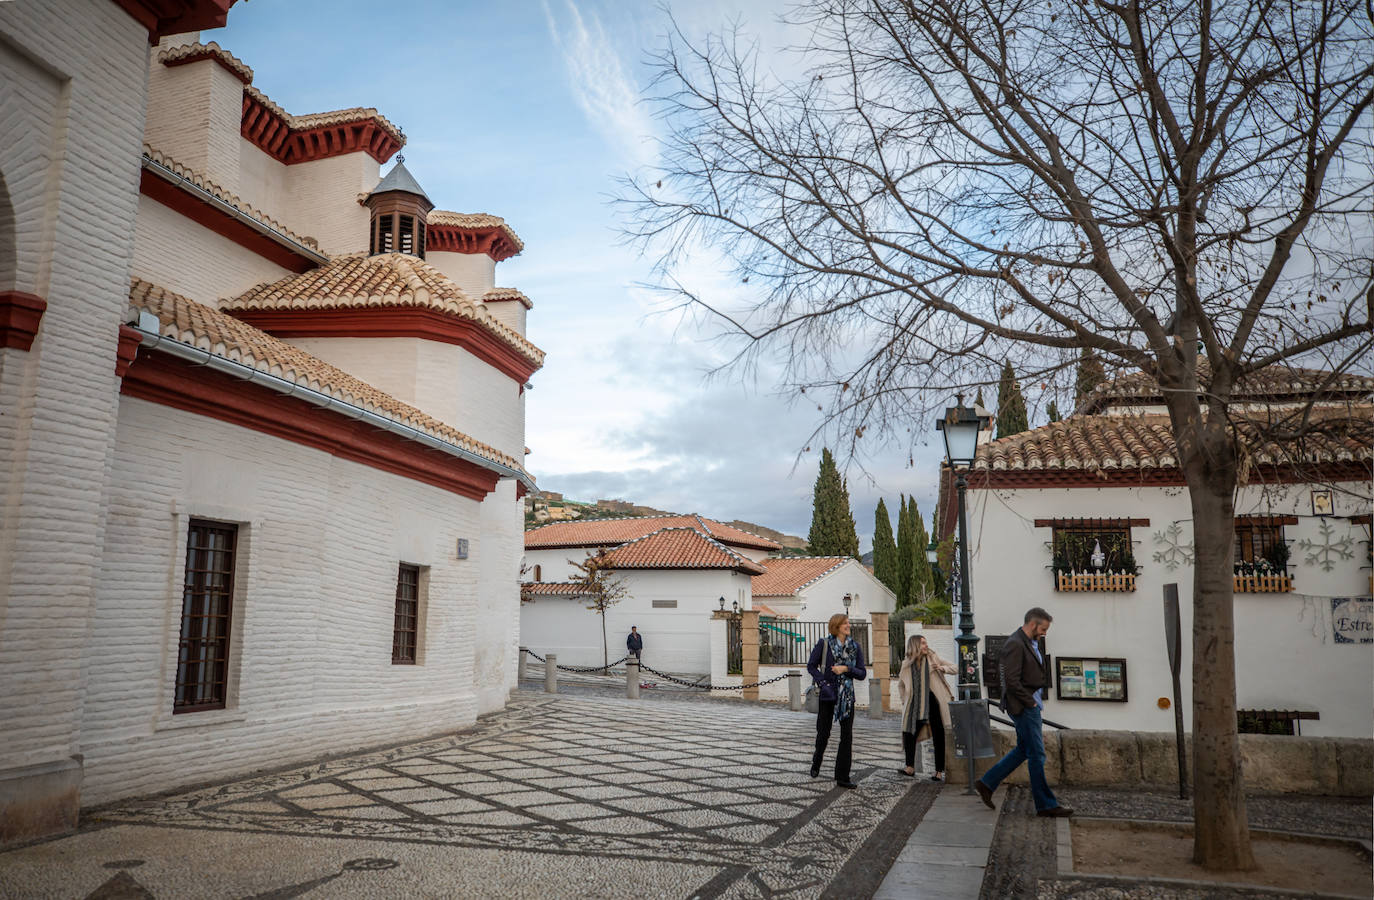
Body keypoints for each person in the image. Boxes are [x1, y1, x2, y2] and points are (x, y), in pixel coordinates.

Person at [975, 607, 1073, 818]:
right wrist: (1031, 704)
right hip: (1024, 707)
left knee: (1023, 750)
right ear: (1032, 624)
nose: (1045, 632)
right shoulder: (1015, 644)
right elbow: (1011, 681)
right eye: (1043, 628)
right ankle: (1046, 804)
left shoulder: (1028, 642)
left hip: (1029, 705)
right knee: (1037, 754)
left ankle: (986, 783)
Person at [806, 612, 867, 789]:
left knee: (846, 736)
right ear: (836, 626)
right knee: (823, 733)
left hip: (847, 697)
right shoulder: (824, 644)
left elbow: (862, 673)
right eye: (845, 623)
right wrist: (823, 683)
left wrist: (846, 668)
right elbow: (811, 666)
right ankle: (816, 762)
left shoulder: (855, 647)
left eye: (848, 623)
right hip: (828, 695)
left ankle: (842, 776)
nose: (849, 626)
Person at [897, 634, 956, 781]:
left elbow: (955, 668)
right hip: (915, 703)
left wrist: (942, 668)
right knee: (910, 733)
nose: (926, 645)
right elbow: (901, 685)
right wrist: (904, 700)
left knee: (938, 733)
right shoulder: (907, 664)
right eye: (923, 643)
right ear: (915, 645)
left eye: (926, 642)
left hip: (932, 701)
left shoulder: (933, 658)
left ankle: (938, 771)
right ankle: (910, 767)